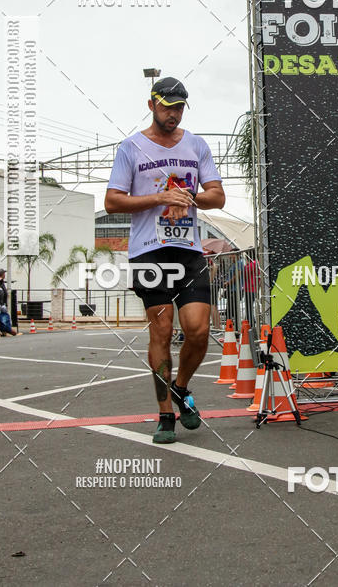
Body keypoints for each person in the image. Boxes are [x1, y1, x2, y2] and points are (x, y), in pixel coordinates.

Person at [105, 76, 225, 445]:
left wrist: (191, 196)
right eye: (166, 106)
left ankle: (181, 387)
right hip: (149, 250)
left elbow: (217, 196)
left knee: (199, 331)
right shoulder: (131, 148)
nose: (172, 113)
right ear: (151, 104)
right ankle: (165, 416)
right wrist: (159, 198)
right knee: (161, 330)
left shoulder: (196, 145)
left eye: (178, 107)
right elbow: (113, 201)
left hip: (189, 249)